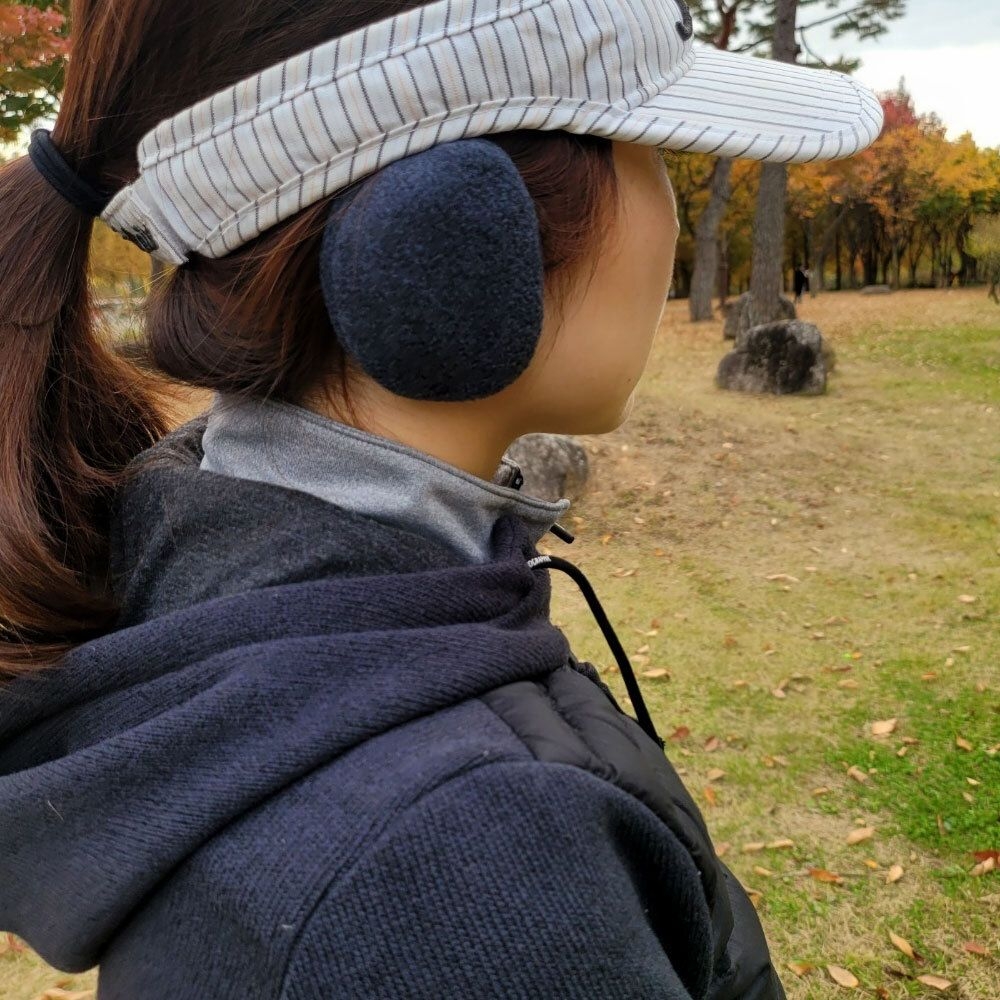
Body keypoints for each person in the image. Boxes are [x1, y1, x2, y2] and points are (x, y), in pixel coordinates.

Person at [0, 1, 882, 996]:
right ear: (452, 233)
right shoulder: (470, 868)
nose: (668, 214)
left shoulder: (222, 583)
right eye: (649, 148)